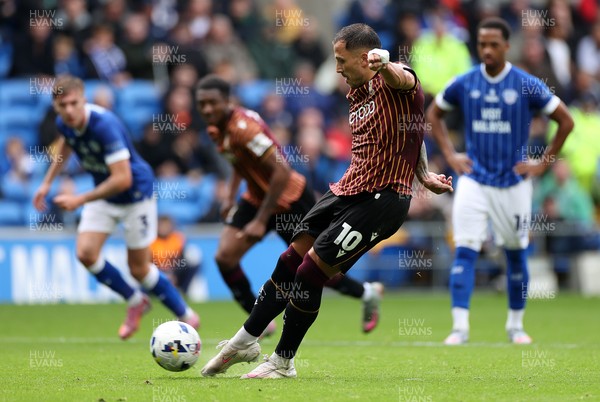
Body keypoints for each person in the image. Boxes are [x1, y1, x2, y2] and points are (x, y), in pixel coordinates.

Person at [200, 23, 453, 379]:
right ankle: (245, 340)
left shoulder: (396, 78)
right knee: (289, 260)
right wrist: (423, 173)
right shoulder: (356, 93)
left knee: (309, 273)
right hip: (346, 189)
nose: (337, 68)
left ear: (366, 58)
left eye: (341, 60)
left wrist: (386, 63)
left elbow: (403, 81)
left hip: (381, 201)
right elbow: (413, 130)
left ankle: (283, 362)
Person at [195, 74, 386, 336]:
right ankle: (258, 322)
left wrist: (261, 220)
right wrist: (229, 196)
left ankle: (367, 292)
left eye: (212, 103)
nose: (206, 109)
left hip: (290, 198)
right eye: (201, 104)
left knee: (313, 269)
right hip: (257, 197)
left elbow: (282, 172)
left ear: (227, 101)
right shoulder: (217, 127)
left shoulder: (245, 129)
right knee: (224, 257)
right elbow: (238, 160)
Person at [426, 17, 574, 345]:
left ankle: (516, 325)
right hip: (474, 180)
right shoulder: (464, 82)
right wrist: (451, 155)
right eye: (482, 45)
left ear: (507, 46)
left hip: (514, 183)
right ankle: (460, 327)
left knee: (515, 253)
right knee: (465, 249)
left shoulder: (525, 84)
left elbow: (565, 120)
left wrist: (543, 164)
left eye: (494, 44)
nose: (487, 50)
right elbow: (433, 113)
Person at [32, 75, 199, 340]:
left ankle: (185, 313)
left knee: (139, 269)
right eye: (63, 106)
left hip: (135, 196)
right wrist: (46, 183)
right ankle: (135, 301)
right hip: (105, 194)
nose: (69, 110)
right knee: (86, 253)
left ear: (83, 100)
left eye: (74, 103)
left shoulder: (104, 125)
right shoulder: (64, 123)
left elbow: (123, 178)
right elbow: (65, 146)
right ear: (56, 107)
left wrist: (80, 200)